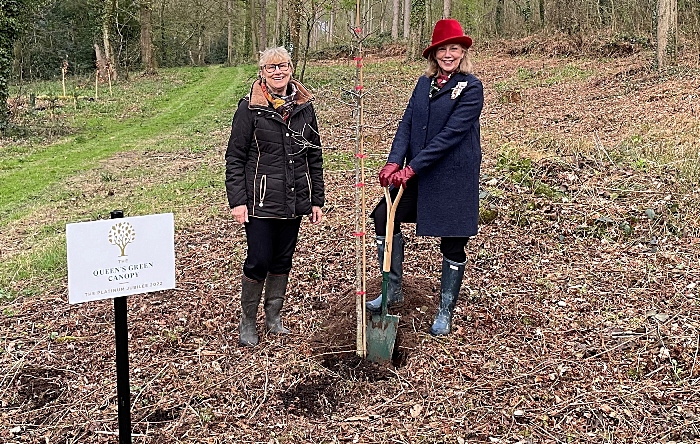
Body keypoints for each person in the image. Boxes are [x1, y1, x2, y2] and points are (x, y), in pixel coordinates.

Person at [367, 19, 483, 336]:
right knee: (383, 217)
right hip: (419, 173)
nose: (448, 54)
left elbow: (450, 136)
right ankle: (393, 290)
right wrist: (393, 162)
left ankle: (445, 310)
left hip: (453, 177)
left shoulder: (471, 88)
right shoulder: (423, 84)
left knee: (453, 240)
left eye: (454, 49)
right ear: (434, 54)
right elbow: (406, 125)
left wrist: (411, 168)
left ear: (463, 52)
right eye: (443, 49)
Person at [225, 47, 324, 347]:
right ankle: (247, 321)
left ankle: (273, 318)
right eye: (271, 68)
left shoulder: (304, 108)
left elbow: (314, 155)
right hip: (259, 202)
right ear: (262, 73)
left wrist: (316, 199)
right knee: (258, 260)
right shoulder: (249, 109)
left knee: (282, 260)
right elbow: (235, 157)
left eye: (282, 66)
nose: (277, 72)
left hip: (293, 200)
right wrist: (238, 201)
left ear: (291, 69)